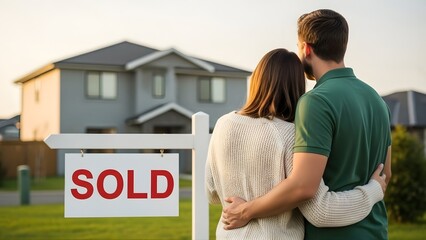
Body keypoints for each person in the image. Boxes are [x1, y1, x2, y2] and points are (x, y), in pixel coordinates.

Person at [205, 48, 387, 239]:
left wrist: (242, 203)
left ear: (257, 80)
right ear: (296, 87)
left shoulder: (222, 124)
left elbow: (212, 193)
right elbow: (321, 212)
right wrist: (373, 190)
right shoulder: (291, 135)